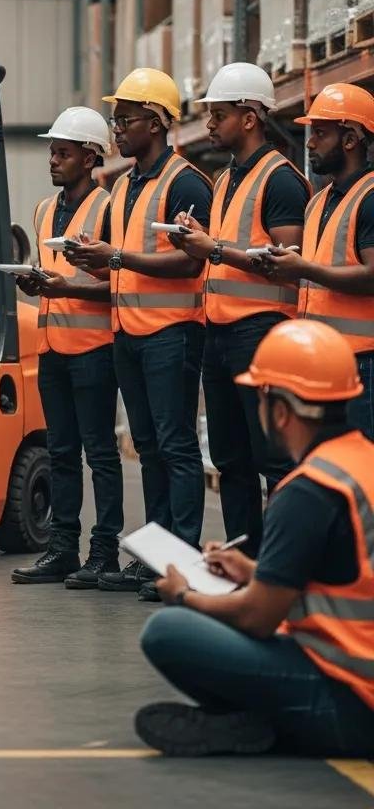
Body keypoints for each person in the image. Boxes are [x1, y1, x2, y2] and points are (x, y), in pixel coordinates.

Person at [136, 320, 374, 758]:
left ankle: (274, 726)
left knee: (167, 632)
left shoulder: (308, 490)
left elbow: (258, 617)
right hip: (361, 680)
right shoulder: (360, 465)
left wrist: (185, 595)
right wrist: (251, 570)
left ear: (280, 410)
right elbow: (343, 572)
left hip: (353, 703)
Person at [66, 68, 213, 601]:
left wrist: (119, 257)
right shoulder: (123, 185)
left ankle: (181, 564)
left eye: (124, 120)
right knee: (148, 447)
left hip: (171, 335)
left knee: (175, 448)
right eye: (115, 120)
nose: (116, 130)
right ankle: (156, 557)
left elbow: (191, 264)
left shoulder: (187, 182)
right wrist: (95, 262)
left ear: (155, 122)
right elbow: (126, 264)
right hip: (131, 332)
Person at [169, 63, 311, 557]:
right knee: (230, 458)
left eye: (219, 115)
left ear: (250, 117)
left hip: (264, 335)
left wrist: (212, 249)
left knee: (273, 459)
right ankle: (242, 560)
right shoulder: (226, 177)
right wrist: (196, 238)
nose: (209, 125)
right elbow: (229, 246)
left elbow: (288, 265)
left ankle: (281, 565)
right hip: (221, 335)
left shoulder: (283, 182)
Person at [11, 108, 123, 589]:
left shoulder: (109, 209)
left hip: (95, 348)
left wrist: (66, 288)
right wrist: (40, 285)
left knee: (99, 453)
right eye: (52, 151)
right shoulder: (41, 210)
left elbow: (121, 283)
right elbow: (53, 275)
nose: (53, 160)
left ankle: (104, 553)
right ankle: (62, 549)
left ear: (91, 156)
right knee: (60, 452)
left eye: (64, 152)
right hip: (52, 346)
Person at [259, 83, 374, 441]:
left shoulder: (370, 198)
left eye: (320, 133)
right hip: (324, 358)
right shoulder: (319, 201)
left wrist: (303, 268)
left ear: (351, 139)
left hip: (362, 361)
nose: (309, 143)